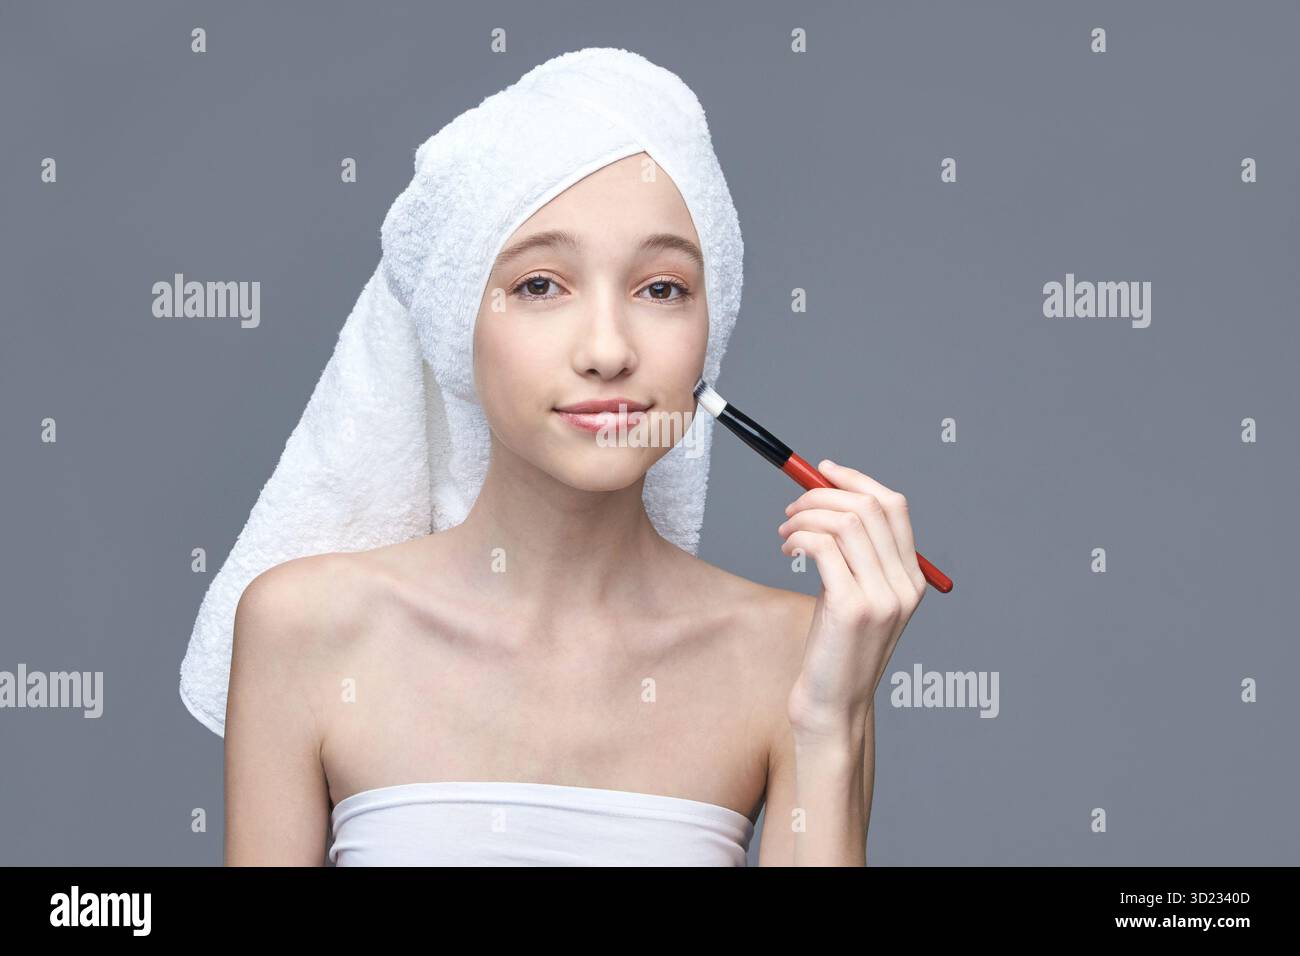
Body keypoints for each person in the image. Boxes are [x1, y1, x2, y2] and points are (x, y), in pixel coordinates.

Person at [187, 49, 926, 867]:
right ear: (454, 320)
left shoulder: (794, 655)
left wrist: (830, 724)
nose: (608, 351)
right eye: (541, 285)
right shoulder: (307, 629)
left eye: (661, 289)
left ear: (710, 328)